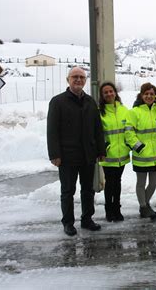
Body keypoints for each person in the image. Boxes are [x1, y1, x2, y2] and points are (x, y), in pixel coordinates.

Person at [47, 66, 105, 236]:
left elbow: (97, 128)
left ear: (85, 80)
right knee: (67, 191)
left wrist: (100, 150)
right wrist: (54, 154)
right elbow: (52, 130)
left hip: (88, 154)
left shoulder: (90, 101)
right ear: (68, 80)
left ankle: (87, 219)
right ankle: (68, 222)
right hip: (66, 156)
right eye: (75, 77)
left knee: (88, 189)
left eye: (81, 77)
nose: (78, 80)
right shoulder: (57, 102)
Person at [125, 82, 156, 220]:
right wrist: (138, 146)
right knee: (141, 183)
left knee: (154, 183)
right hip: (141, 154)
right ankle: (144, 206)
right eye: (146, 94)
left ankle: (144, 204)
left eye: (152, 94)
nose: (149, 96)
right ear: (141, 95)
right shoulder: (134, 112)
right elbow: (129, 132)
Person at [98, 82, 130, 222]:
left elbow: (129, 130)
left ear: (115, 92)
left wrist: (128, 145)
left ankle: (117, 208)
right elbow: (98, 133)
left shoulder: (124, 110)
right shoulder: (100, 112)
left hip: (122, 153)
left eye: (111, 91)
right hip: (108, 154)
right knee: (109, 183)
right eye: (106, 92)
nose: (109, 94)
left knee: (117, 182)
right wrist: (105, 147)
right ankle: (109, 210)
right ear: (102, 95)